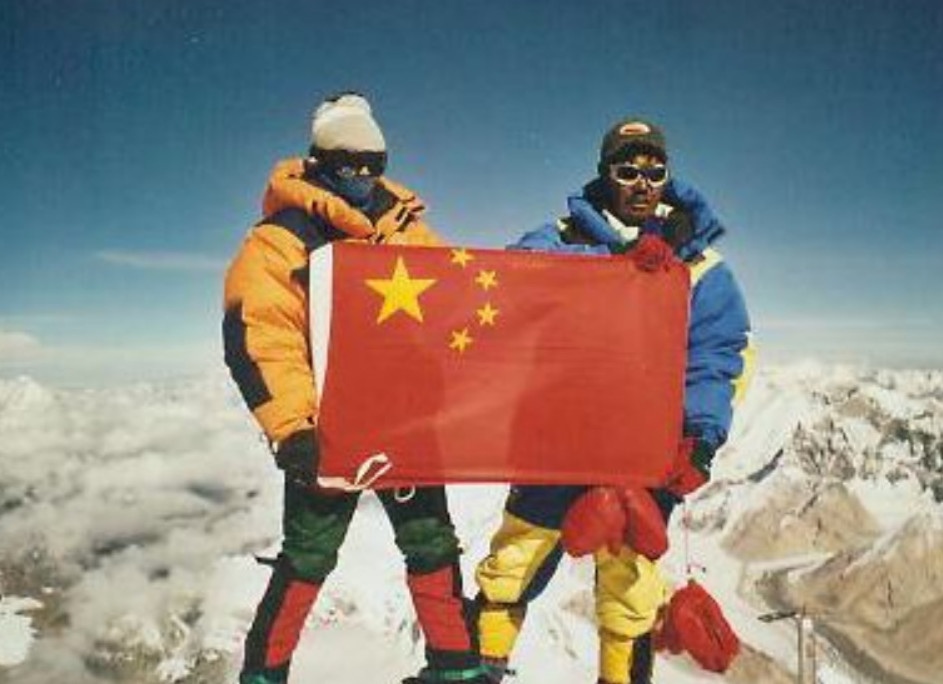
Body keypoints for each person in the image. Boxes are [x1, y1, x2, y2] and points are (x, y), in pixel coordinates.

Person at [473, 119, 754, 684]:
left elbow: (715, 355)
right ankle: (478, 670)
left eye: (655, 171)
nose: (642, 183)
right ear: (605, 175)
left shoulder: (700, 266)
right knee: (513, 562)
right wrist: (616, 266)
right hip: (559, 439)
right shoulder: (561, 239)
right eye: (627, 170)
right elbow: (513, 277)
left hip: (646, 448)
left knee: (631, 584)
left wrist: (699, 438)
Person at [224, 93, 489, 684]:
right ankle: (263, 676)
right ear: (319, 161)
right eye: (349, 162)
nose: (364, 175)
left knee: (432, 544)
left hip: (406, 420)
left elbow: (465, 297)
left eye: (375, 162)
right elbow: (261, 334)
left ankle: (456, 669)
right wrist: (293, 428)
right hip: (327, 427)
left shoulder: (408, 230)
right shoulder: (282, 238)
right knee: (309, 555)